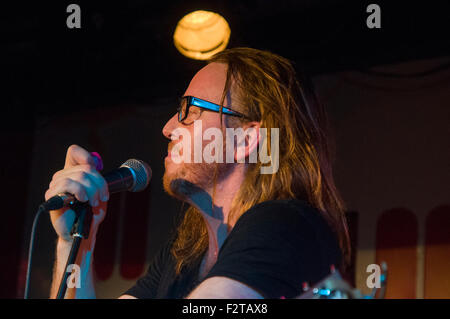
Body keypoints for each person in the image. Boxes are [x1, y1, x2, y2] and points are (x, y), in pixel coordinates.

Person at [45, 47, 350, 299]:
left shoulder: (285, 225)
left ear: (246, 139)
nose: (168, 128)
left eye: (189, 110)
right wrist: (76, 241)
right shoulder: (185, 255)